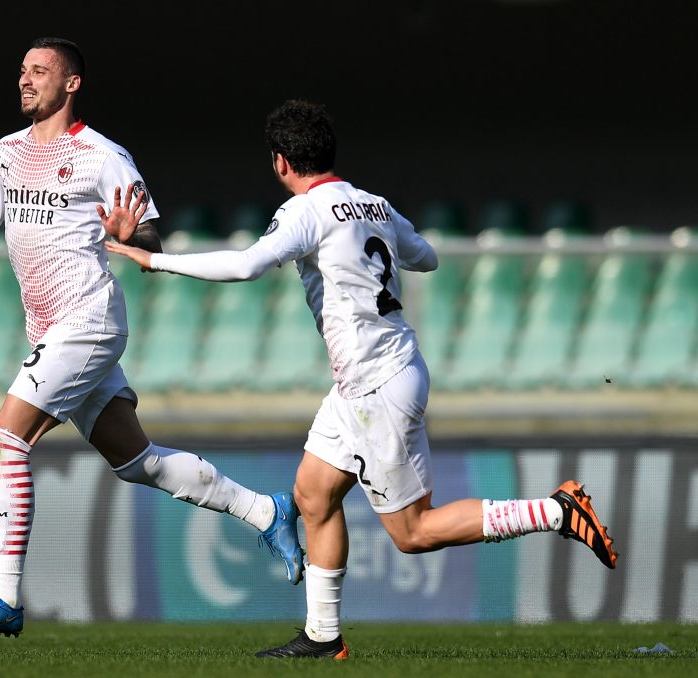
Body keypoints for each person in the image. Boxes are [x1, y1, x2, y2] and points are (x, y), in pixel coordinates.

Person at [106, 99, 618, 660]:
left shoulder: (306, 210)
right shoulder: (373, 203)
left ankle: (558, 510)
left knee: (413, 532)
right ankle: (324, 637)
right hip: (373, 378)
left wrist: (155, 261)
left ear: (281, 162)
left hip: (377, 383)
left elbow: (246, 266)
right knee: (313, 494)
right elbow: (426, 258)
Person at [0, 37, 303, 638]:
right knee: (137, 463)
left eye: (39, 72)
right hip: (53, 327)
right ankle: (265, 510)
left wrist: (132, 233)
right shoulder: (4, 154)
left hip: (89, 319)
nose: (25, 81)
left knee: (5, 438)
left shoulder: (102, 156)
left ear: (71, 84)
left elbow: (149, 239)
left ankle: (5, 597)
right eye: (22, 71)